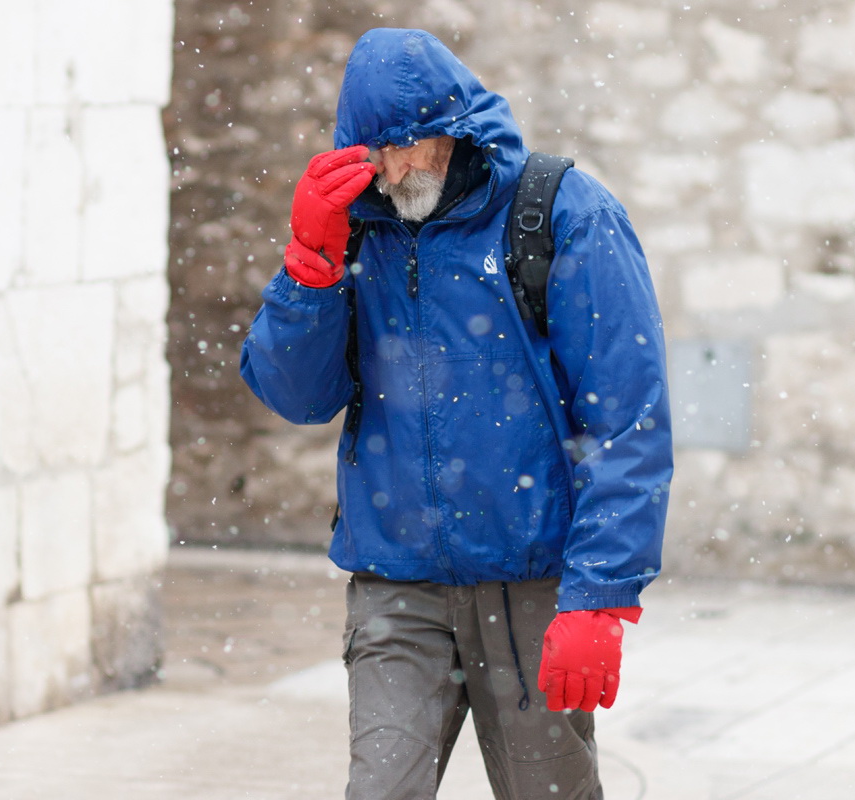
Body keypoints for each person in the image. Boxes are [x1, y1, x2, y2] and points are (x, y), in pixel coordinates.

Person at [240, 27, 672, 800]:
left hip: (534, 582)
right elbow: (297, 397)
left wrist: (601, 595)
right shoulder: (355, 231)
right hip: (397, 585)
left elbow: (627, 420)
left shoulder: (562, 214)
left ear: (459, 126)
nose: (398, 168)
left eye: (415, 143)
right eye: (380, 150)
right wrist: (309, 267)